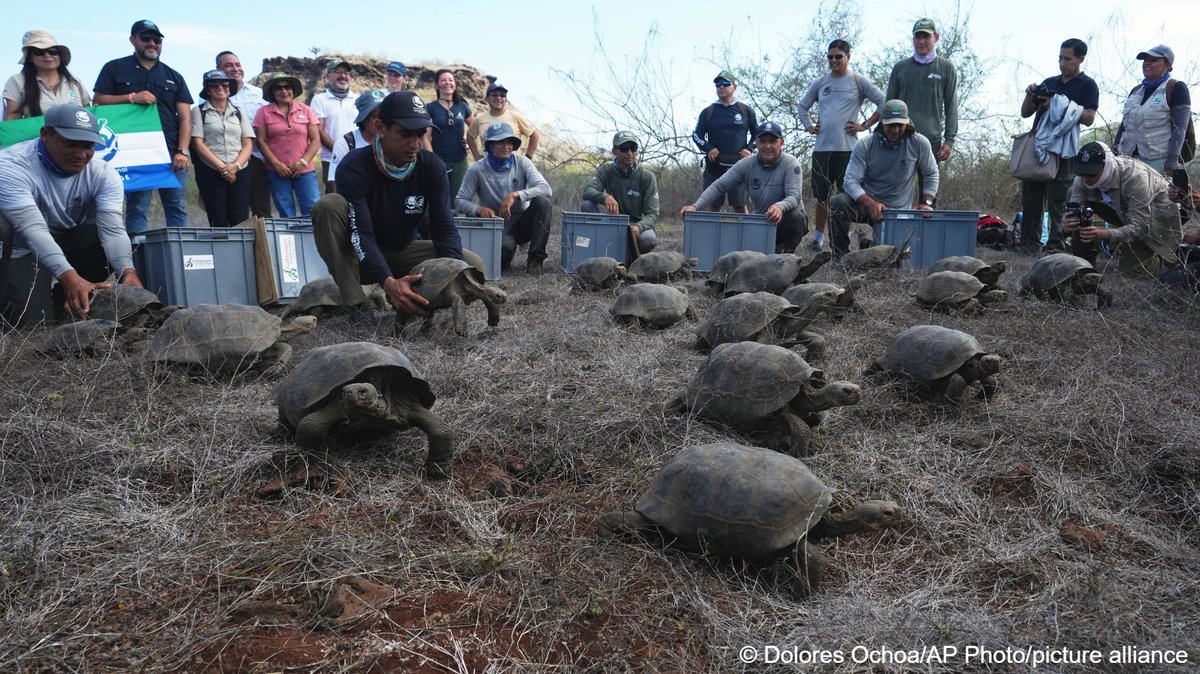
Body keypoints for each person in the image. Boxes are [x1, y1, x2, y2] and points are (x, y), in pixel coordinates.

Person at [312, 91, 485, 317]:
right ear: (381, 128)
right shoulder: (354, 167)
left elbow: (444, 227)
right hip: (358, 255)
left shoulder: (432, 166)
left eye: (420, 134)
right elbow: (361, 234)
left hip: (402, 251)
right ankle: (356, 303)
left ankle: (414, 301)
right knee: (328, 205)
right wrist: (387, 282)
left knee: (472, 267)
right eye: (405, 134)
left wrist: (455, 272)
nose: (414, 144)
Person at [0, 104, 141, 325]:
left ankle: (64, 297)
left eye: (88, 146)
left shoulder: (103, 174)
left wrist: (127, 271)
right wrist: (68, 275)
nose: (80, 154)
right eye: (71, 144)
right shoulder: (10, 166)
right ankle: (44, 289)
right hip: (21, 248)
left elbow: (113, 230)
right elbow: (33, 230)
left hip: (62, 238)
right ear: (46, 135)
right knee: (35, 326)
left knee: (107, 236)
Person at [93, 20, 193, 233]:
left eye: (157, 39)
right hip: (134, 151)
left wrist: (182, 151)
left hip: (171, 151)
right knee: (137, 208)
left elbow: (186, 118)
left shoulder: (174, 76)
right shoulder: (114, 68)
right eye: (145, 38)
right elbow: (98, 101)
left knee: (176, 206)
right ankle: (137, 258)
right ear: (133, 40)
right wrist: (131, 97)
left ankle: (181, 256)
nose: (152, 43)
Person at [797, 39, 886, 248]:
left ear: (848, 57)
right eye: (830, 57)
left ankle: (842, 240)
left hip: (848, 150)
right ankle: (818, 239)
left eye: (838, 56)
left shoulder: (857, 80)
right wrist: (809, 126)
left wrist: (865, 125)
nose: (834, 60)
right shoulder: (821, 82)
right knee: (822, 197)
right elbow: (802, 106)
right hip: (822, 149)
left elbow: (883, 102)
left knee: (845, 197)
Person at [828, 100, 939, 259]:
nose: (895, 130)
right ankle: (840, 259)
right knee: (838, 202)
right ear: (882, 123)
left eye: (899, 125)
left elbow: (931, 173)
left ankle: (867, 244)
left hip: (899, 213)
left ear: (906, 123)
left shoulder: (919, 143)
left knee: (890, 258)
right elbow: (850, 181)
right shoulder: (866, 145)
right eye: (890, 125)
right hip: (868, 206)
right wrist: (869, 202)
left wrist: (927, 203)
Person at [1017, 38, 1099, 253]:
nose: (1063, 63)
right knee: (1032, 196)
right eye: (1060, 58)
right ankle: (1028, 243)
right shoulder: (1050, 82)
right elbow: (1026, 112)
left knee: (1059, 198)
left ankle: (1056, 244)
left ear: (1081, 59)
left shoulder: (1087, 85)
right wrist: (1030, 95)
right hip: (1039, 146)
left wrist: (1057, 104)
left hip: (1064, 149)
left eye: (1068, 59)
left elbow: (1089, 117)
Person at [680, 122, 807, 253]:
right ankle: (773, 248)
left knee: (796, 216)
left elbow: (794, 196)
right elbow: (719, 186)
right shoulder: (746, 164)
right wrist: (695, 206)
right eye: (763, 141)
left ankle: (788, 254)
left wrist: (779, 206)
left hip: (787, 218)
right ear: (756, 143)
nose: (767, 146)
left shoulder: (791, 163)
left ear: (781, 143)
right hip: (762, 221)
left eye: (773, 141)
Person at [1064, 141, 1181, 277]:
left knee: (1132, 270)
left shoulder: (1137, 178)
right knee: (1072, 196)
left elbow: (1140, 227)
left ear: (1106, 166)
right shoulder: (1083, 179)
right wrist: (1066, 226)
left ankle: (1170, 258)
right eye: (1082, 173)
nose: (1086, 178)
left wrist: (1106, 234)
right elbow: (1071, 213)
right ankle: (1083, 256)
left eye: (1092, 174)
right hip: (1124, 213)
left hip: (1158, 219)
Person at [456, 122, 553, 273]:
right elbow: (460, 200)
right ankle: (505, 255)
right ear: (490, 146)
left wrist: (516, 195)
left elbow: (546, 189)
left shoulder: (522, 163)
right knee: (504, 253)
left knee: (543, 202)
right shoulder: (477, 169)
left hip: (522, 222)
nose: (506, 146)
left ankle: (535, 260)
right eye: (500, 142)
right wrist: (478, 209)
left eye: (509, 142)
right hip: (496, 224)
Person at [1114, 45, 1192, 222]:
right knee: (1128, 206)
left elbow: (1180, 126)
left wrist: (1172, 159)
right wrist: (1114, 150)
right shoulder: (1135, 91)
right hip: (1128, 160)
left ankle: (1160, 246)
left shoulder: (1176, 87)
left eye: (1153, 60)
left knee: (1157, 209)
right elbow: (1124, 126)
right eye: (1145, 60)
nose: (1147, 64)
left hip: (1158, 161)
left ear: (1168, 64)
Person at [885, 17, 957, 191]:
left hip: (931, 140)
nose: (921, 41)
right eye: (918, 37)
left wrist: (949, 140)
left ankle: (927, 217)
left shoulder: (946, 68)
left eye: (926, 36)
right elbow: (888, 106)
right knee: (896, 190)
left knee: (929, 194)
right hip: (900, 138)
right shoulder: (900, 68)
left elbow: (951, 106)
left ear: (936, 37)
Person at [579, 131, 659, 254]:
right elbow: (587, 191)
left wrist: (639, 227)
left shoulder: (647, 176)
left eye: (633, 148)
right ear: (614, 151)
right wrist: (605, 197)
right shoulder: (606, 170)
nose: (629, 153)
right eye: (624, 149)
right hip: (612, 221)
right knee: (587, 205)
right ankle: (604, 249)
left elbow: (652, 214)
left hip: (635, 224)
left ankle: (632, 257)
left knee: (649, 239)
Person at [190, 69, 253, 227]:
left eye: (224, 84)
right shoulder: (198, 111)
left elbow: (247, 143)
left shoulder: (238, 112)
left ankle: (241, 251)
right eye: (214, 84)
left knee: (241, 217)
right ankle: (222, 251)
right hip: (211, 170)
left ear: (230, 88)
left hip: (240, 169)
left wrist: (234, 166)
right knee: (217, 216)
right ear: (207, 89)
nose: (220, 87)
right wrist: (223, 168)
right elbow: (198, 143)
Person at [253, 72, 320, 217]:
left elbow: (315, 140)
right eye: (278, 88)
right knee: (285, 212)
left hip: (304, 170)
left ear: (293, 90)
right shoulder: (263, 112)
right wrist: (276, 164)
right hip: (277, 171)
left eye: (287, 87)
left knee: (312, 208)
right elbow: (261, 140)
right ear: (272, 92)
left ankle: (313, 240)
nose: (284, 91)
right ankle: (291, 240)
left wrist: (303, 162)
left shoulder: (306, 110)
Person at [692, 70, 757, 213]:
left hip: (739, 165)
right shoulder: (708, 112)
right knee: (714, 205)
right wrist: (708, 148)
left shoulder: (745, 110)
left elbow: (757, 134)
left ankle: (745, 235)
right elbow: (696, 135)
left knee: (740, 205)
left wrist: (749, 148)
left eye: (725, 83)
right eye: (718, 84)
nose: (721, 86)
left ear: (734, 87)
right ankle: (712, 235)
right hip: (715, 166)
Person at [217, 50, 272, 218]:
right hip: (226, 160)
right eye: (228, 65)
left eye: (238, 64)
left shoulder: (259, 94)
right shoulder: (210, 96)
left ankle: (265, 243)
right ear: (218, 69)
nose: (235, 69)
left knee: (261, 209)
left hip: (257, 158)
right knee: (233, 209)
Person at [4, 30, 90, 119]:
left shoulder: (75, 82)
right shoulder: (16, 82)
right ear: (29, 57)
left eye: (53, 51)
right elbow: (12, 119)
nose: (47, 55)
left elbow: (89, 113)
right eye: (39, 52)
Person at [422, 69, 474, 200]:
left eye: (451, 80)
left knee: (458, 200)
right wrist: (433, 160)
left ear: (455, 85)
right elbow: (425, 138)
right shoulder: (430, 108)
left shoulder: (462, 106)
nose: (448, 83)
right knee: (437, 198)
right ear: (437, 85)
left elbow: (474, 130)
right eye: (443, 80)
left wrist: (468, 142)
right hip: (439, 159)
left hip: (460, 161)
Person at [310, 60, 358, 193]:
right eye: (338, 72)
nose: (343, 76)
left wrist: (354, 153)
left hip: (359, 157)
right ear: (327, 76)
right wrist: (341, 150)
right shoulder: (320, 99)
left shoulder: (358, 100)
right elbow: (319, 131)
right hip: (331, 159)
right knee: (335, 199)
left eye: (346, 72)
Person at [467, 83, 540, 161]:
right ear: (487, 99)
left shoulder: (516, 116)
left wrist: (528, 157)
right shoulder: (479, 119)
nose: (499, 98)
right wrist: (476, 156)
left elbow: (534, 134)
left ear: (506, 99)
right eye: (495, 95)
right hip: (488, 168)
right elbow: (470, 136)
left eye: (502, 95)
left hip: (513, 167)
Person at [329, 89, 385, 182]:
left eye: (383, 115)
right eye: (375, 116)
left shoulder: (392, 140)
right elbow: (333, 181)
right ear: (363, 119)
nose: (380, 121)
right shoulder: (346, 144)